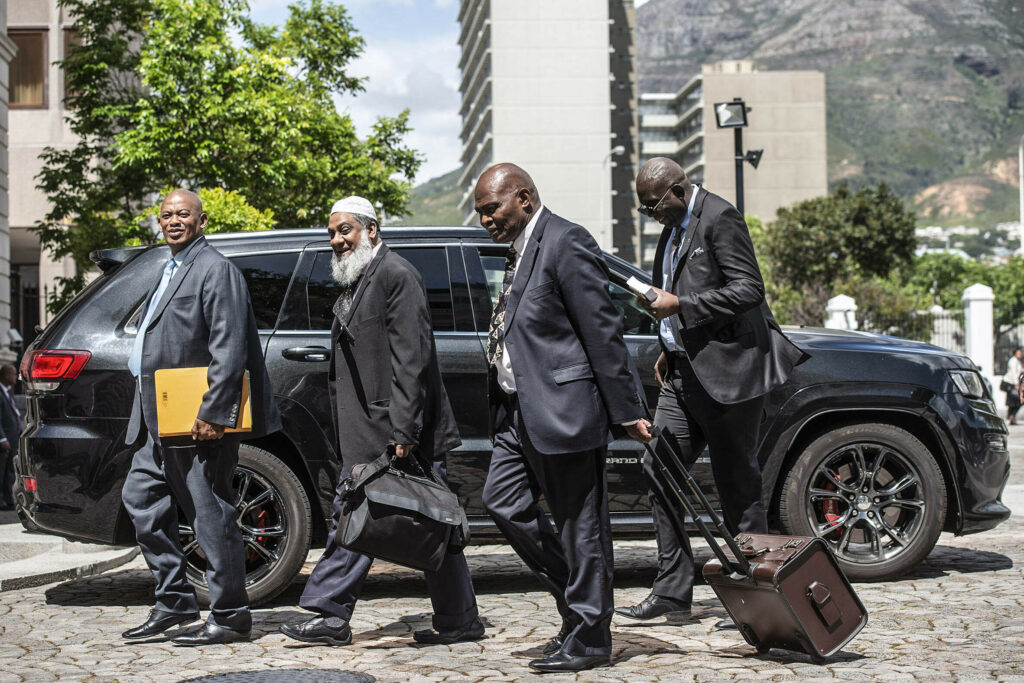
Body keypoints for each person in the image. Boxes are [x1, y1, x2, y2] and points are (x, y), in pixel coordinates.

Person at [279, 196, 483, 647]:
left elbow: (412, 359)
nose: (336, 240)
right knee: (434, 521)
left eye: (345, 230)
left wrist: (403, 433)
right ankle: (460, 620)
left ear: (372, 229)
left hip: (397, 431)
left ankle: (330, 615)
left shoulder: (396, 275)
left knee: (359, 516)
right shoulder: (360, 279)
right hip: (373, 428)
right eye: (332, 233)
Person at [474, 164, 652, 673]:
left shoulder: (565, 240)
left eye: (493, 208)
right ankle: (577, 608)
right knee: (502, 503)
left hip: (565, 408)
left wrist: (628, 410)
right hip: (516, 412)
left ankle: (592, 635)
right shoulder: (521, 248)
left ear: (524, 198)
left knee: (582, 527)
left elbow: (602, 330)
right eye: (481, 212)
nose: (486, 219)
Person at [616, 157, 808, 627]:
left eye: (654, 205)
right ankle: (672, 592)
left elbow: (749, 290)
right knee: (659, 469)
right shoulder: (673, 224)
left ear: (679, 189)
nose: (650, 214)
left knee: (737, 485)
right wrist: (671, 343)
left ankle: (752, 591)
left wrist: (681, 305)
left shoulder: (720, 218)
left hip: (729, 377)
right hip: (682, 375)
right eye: (643, 208)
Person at [120, 189, 282, 646]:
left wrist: (215, 412)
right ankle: (174, 602)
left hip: (195, 419)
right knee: (141, 502)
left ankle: (230, 615)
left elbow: (228, 345)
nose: (174, 221)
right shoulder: (168, 269)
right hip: (158, 420)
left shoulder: (215, 269)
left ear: (202, 220)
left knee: (211, 515)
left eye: (183, 214)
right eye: (167, 214)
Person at [0, 364, 20, 510]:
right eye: (14, 374)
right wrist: (2, 438)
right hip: (4, 440)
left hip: (12, 439)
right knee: (1, 471)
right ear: (6, 375)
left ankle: (7, 500)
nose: (16, 377)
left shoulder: (7, 392)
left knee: (9, 472)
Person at [1002, 347, 1022, 425]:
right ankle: (1011, 416)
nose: (1020, 355)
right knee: (1015, 400)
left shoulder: (1017, 361)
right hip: (1010, 383)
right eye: (1018, 353)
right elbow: (1013, 373)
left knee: (1015, 401)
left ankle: (1012, 416)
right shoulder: (1013, 361)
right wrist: (1016, 384)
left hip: (1013, 383)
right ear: (1015, 353)